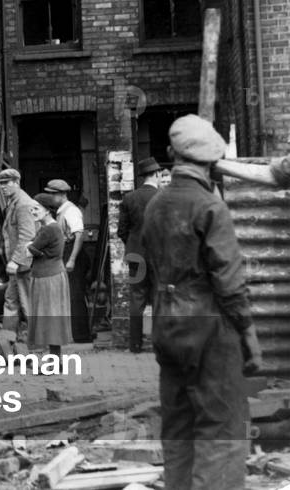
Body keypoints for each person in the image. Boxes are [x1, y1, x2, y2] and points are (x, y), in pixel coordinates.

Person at [143, 114, 262, 490]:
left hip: (166, 324)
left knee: (178, 426)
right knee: (222, 429)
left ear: (171, 153)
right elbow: (229, 283)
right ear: (212, 161)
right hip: (209, 328)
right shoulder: (211, 207)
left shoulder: (155, 205)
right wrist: (249, 335)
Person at [117, 157, 164, 353]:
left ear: (143, 176)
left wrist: (133, 245)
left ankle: (135, 345)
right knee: (159, 297)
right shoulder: (163, 197)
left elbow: (121, 230)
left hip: (136, 256)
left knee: (137, 298)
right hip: (159, 257)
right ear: (157, 174)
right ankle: (159, 344)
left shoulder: (129, 198)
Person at [0, 168, 45, 339]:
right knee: (11, 301)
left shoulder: (23, 204)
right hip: (18, 266)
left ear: (16, 182)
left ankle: (38, 343)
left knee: (28, 303)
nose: (2, 187)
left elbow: (27, 236)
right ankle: (7, 341)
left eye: (6, 183)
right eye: (0, 184)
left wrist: (15, 261)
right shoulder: (14, 202)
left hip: (24, 265)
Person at [43, 179, 90, 342]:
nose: (50, 198)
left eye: (52, 194)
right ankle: (74, 333)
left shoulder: (71, 211)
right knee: (70, 294)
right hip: (67, 251)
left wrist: (72, 259)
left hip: (73, 253)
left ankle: (82, 336)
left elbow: (79, 235)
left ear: (62, 194)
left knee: (75, 295)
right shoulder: (61, 211)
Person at [28, 193, 72, 356]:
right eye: (32, 209)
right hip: (49, 276)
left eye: (36, 208)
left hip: (48, 278)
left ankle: (53, 360)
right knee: (51, 319)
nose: (33, 212)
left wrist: (31, 248)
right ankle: (55, 359)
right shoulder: (48, 228)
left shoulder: (49, 229)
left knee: (49, 319)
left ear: (47, 210)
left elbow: (30, 249)